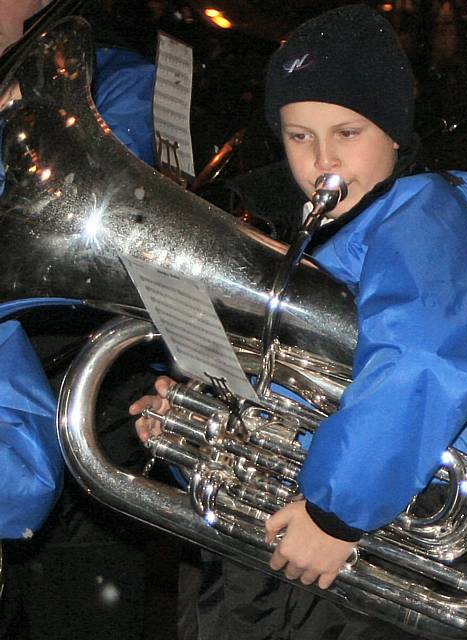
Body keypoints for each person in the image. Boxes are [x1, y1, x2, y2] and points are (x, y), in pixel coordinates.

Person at [130, 5, 467, 639]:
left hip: (396, 525)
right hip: (310, 531)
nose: (323, 160)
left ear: (394, 134)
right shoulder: (310, 244)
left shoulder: (423, 214)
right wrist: (196, 437)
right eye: (299, 135)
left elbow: (424, 358)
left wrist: (339, 512)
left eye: (348, 132)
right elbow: (280, 409)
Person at [0, 2, 161, 638]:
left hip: (90, 391)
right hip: (14, 376)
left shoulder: (114, 82)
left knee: (82, 607)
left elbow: (88, 227)